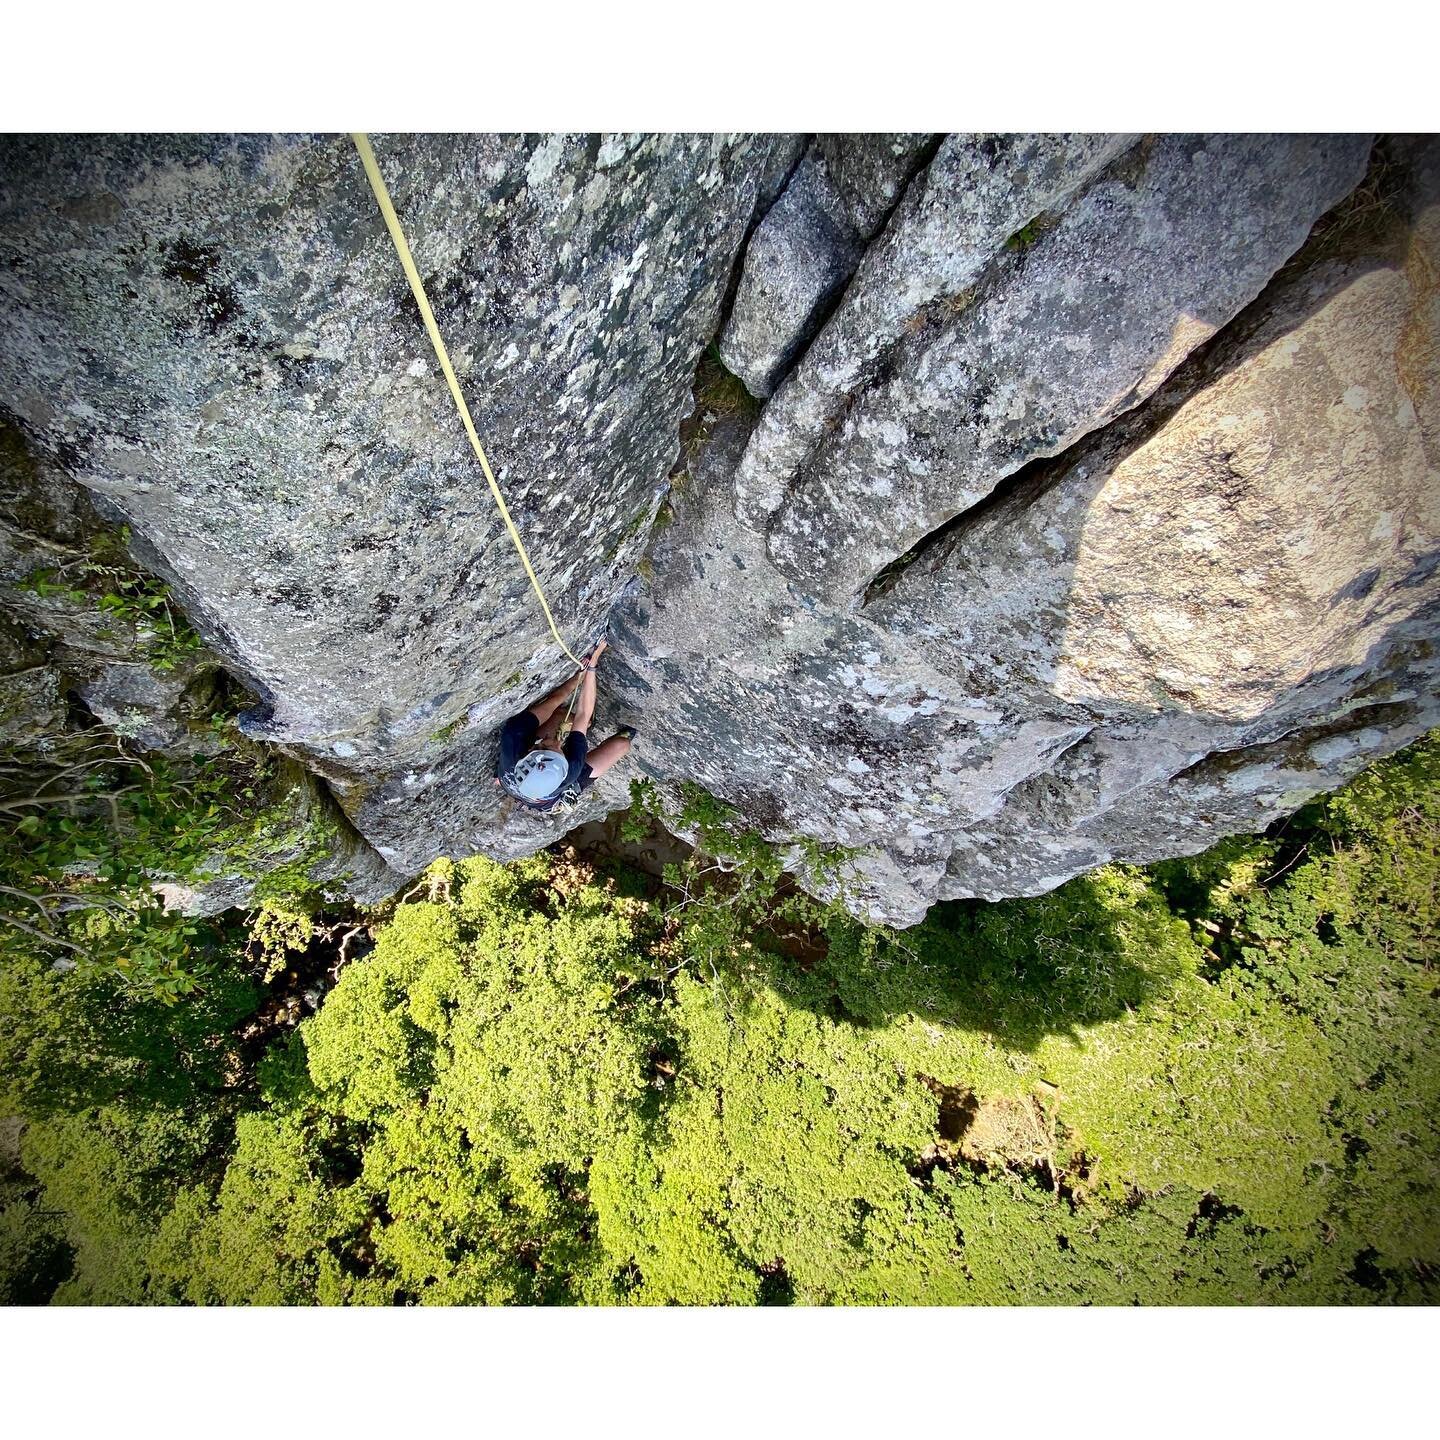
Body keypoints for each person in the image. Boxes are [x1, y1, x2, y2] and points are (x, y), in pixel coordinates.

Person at [494, 640, 635, 813]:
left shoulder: (513, 736)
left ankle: (506, 776)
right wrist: (594, 663)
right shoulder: (570, 772)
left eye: (542, 745)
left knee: (561, 716)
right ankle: (564, 792)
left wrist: (581, 676)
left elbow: (554, 700)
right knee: (622, 745)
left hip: (512, 777)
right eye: (558, 748)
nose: (556, 742)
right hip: (547, 796)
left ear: (529, 751)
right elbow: (584, 715)